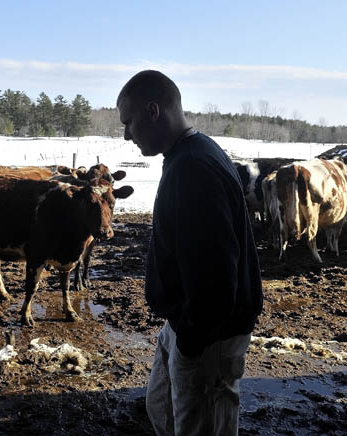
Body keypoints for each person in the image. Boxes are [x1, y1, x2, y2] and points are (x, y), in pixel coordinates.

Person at [117, 70, 263, 435]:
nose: (125, 134)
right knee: (163, 409)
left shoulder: (193, 168)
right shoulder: (191, 154)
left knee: (203, 425)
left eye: (128, 122)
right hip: (186, 324)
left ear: (153, 111)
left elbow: (215, 270)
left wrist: (194, 340)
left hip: (209, 334)